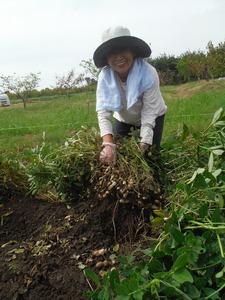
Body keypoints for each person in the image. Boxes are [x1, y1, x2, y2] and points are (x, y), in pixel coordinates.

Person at [93, 26, 167, 165]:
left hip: (154, 116)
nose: (118, 57)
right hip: (124, 118)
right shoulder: (105, 77)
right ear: (107, 58)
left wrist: (144, 141)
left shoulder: (148, 73)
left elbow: (150, 110)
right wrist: (108, 145)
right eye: (112, 53)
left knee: (149, 159)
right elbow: (103, 113)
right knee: (118, 157)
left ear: (132, 52)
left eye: (123, 50)